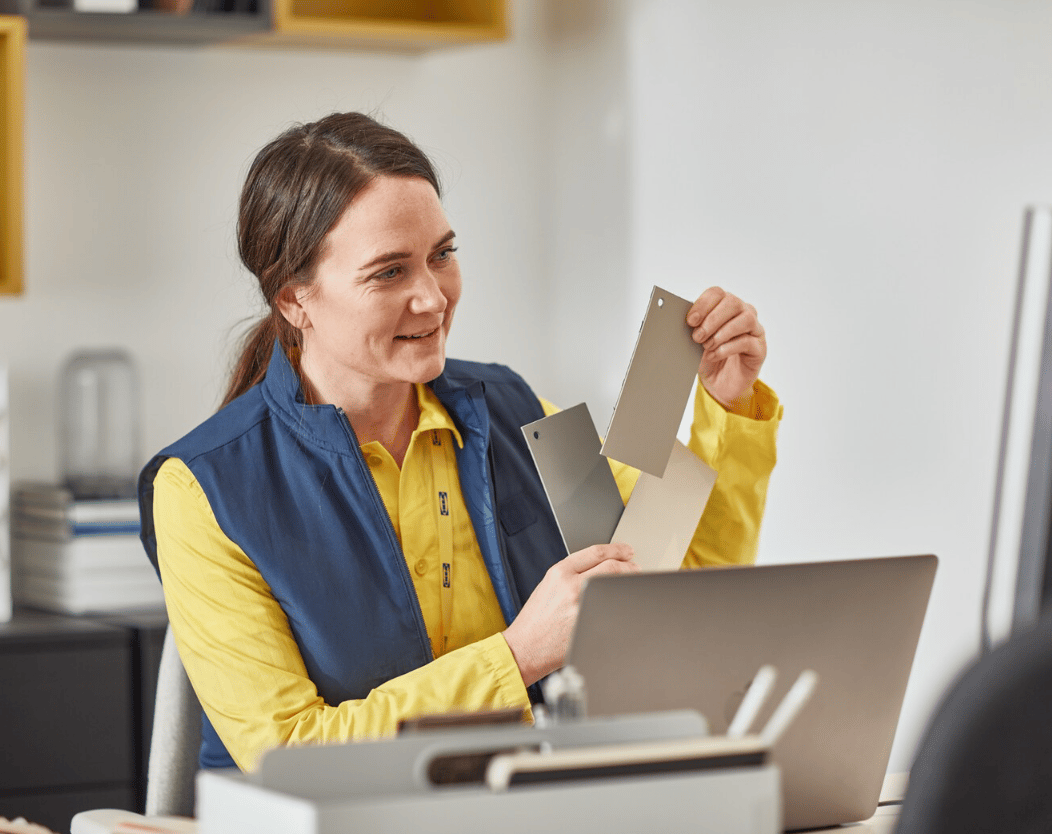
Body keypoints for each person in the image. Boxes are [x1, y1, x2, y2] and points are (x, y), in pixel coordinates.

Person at [138, 112, 783, 773]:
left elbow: (678, 597)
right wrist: (519, 655)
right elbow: (291, 753)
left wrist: (724, 404)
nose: (432, 299)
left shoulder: (519, 412)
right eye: (389, 272)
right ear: (295, 299)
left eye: (441, 255)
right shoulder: (201, 491)